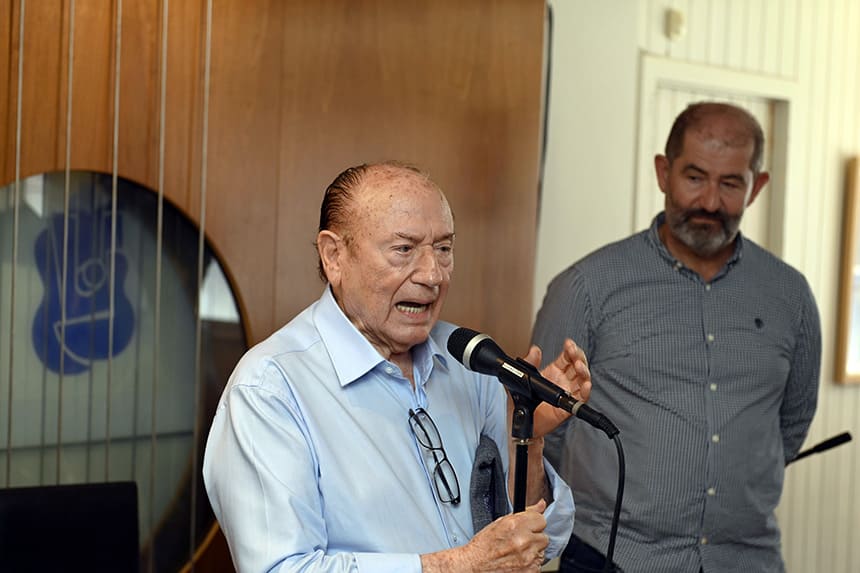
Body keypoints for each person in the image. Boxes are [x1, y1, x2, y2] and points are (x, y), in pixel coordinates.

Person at [203, 161, 593, 572]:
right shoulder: (270, 388)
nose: (433, 275)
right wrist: (458, 566)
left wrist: (527, 436)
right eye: (404, 250)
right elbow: (281, 569)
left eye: (444, 249)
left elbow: (535, 538)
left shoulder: (470, 362)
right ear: (334, 256)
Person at [532, 102, 821, 573]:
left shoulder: (789, 295)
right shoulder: (587, 286)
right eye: (695, 177)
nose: (710, 201)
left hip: (746, 560)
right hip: (611, 557)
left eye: (731, 183)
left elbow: (790, 423)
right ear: (663, 172)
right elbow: (545, 428)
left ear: (757, 187)